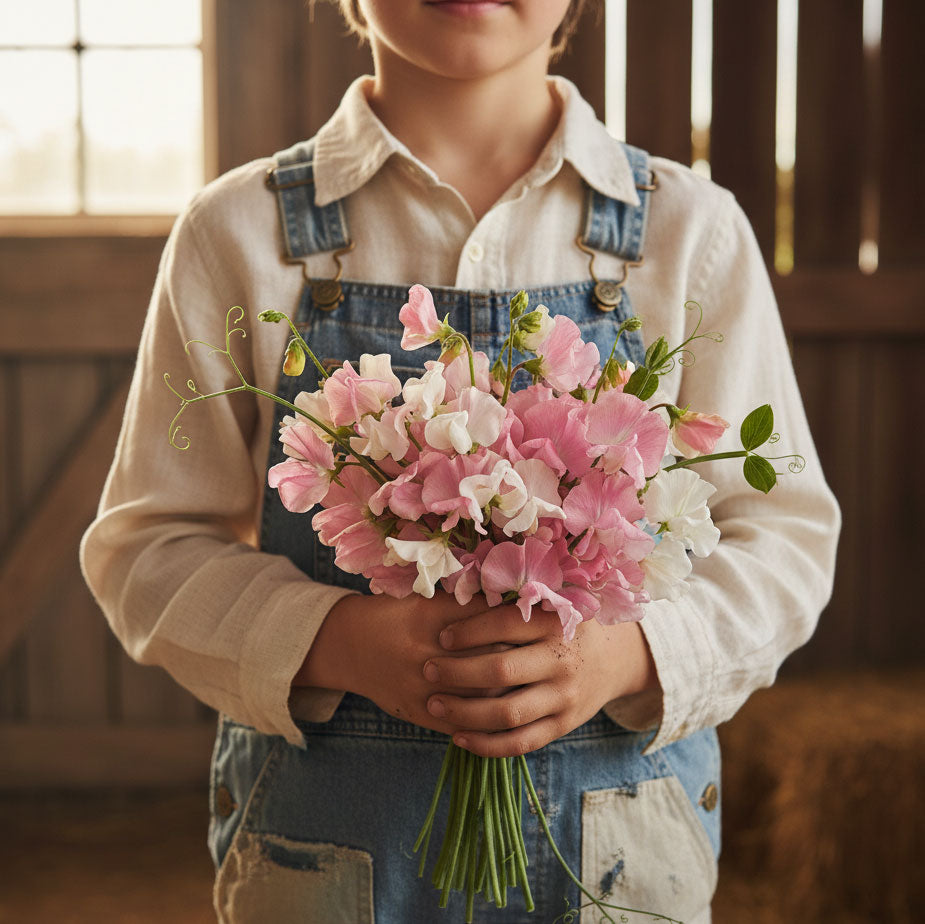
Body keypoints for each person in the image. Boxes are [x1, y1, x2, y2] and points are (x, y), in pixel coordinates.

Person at [80, 1, 840, 921]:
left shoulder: (690, 232)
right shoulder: (235, 234)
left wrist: (626, 656)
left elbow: (784, 538)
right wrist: (336, 641)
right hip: (324, 862)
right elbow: (147, 548)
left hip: (617, 854)